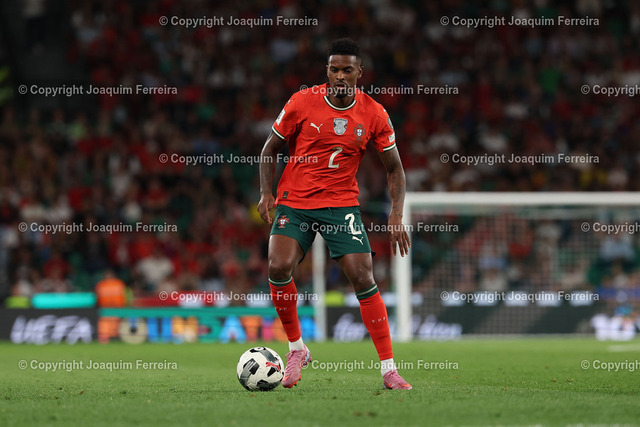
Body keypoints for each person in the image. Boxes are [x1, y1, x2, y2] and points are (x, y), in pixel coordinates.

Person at [257, 38, 412, 390]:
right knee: (278, 266)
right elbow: (270, 148)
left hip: (340, 205)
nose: (340, 75)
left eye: (347, 70)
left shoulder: (374, 113)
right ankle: (297, 349)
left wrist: (396, 213)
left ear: (359, 73)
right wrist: (266, 192)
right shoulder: (302, 101)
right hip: (295, 201)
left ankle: (389, 369)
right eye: (334, 69)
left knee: (363, 275)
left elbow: (395, 169)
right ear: (326, 71)